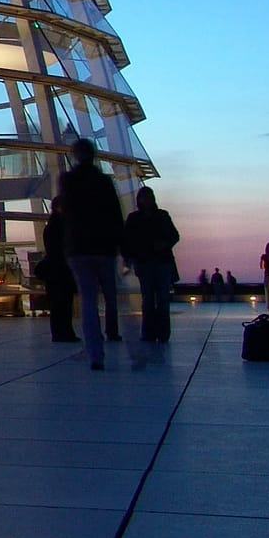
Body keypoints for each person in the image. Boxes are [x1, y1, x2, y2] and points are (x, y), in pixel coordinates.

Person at [56, 138, 124, 369]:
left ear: (75, 155)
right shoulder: (104, 182)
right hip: (104, 248)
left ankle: (95, 353)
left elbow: (66, 210)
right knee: (110, 295)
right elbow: (116, 215)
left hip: (79, 248)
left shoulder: (67, 180)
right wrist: (119, 245)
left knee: (88, 301)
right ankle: (113, 332)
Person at [120, 185, 180, 343]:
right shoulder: (138, 218)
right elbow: (126, 243)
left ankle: (158, 334)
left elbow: (174, 236)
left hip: (158, 263)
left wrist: (163, 244)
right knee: (150, 300)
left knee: (160, 300)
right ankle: (154, 334)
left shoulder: (158, 216)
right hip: (148, 263)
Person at [40, 200, 80, 343]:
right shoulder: (64, 226)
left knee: (57, 305)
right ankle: (66, 332)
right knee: (65, 303)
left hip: (54, 271)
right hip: (63, 270)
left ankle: (59, 333)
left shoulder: (50, 227)